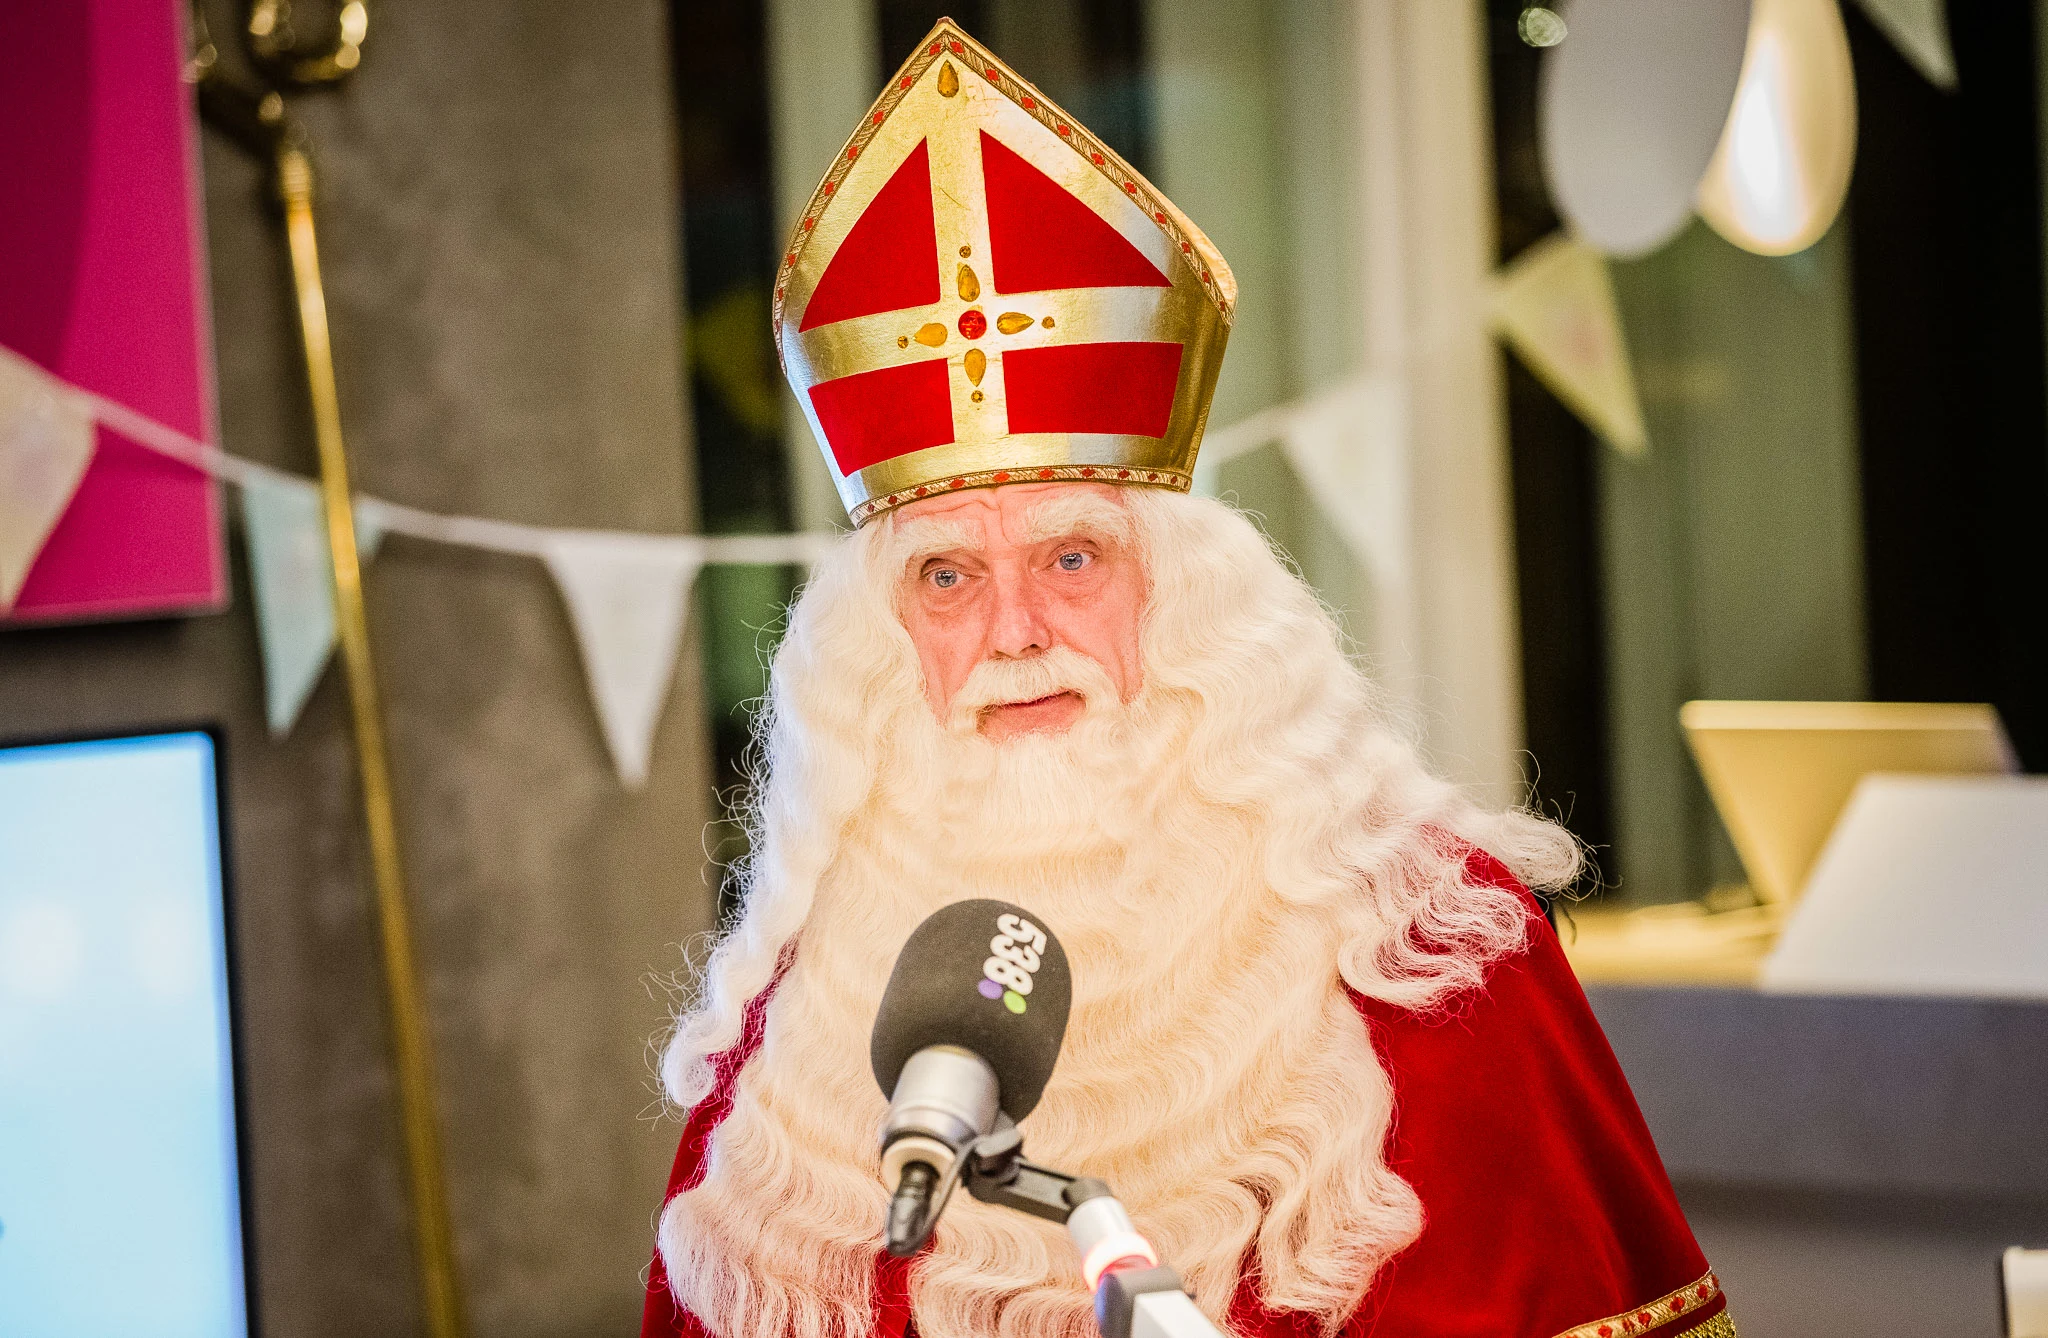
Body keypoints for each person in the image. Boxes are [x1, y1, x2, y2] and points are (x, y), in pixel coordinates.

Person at [642, 19, 1734, 1338]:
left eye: (1073, 557)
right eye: (945, 579)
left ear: (1196, 601)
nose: (1013, 630)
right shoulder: (795, 1032)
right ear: (874, 653)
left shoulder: (1434, 959)